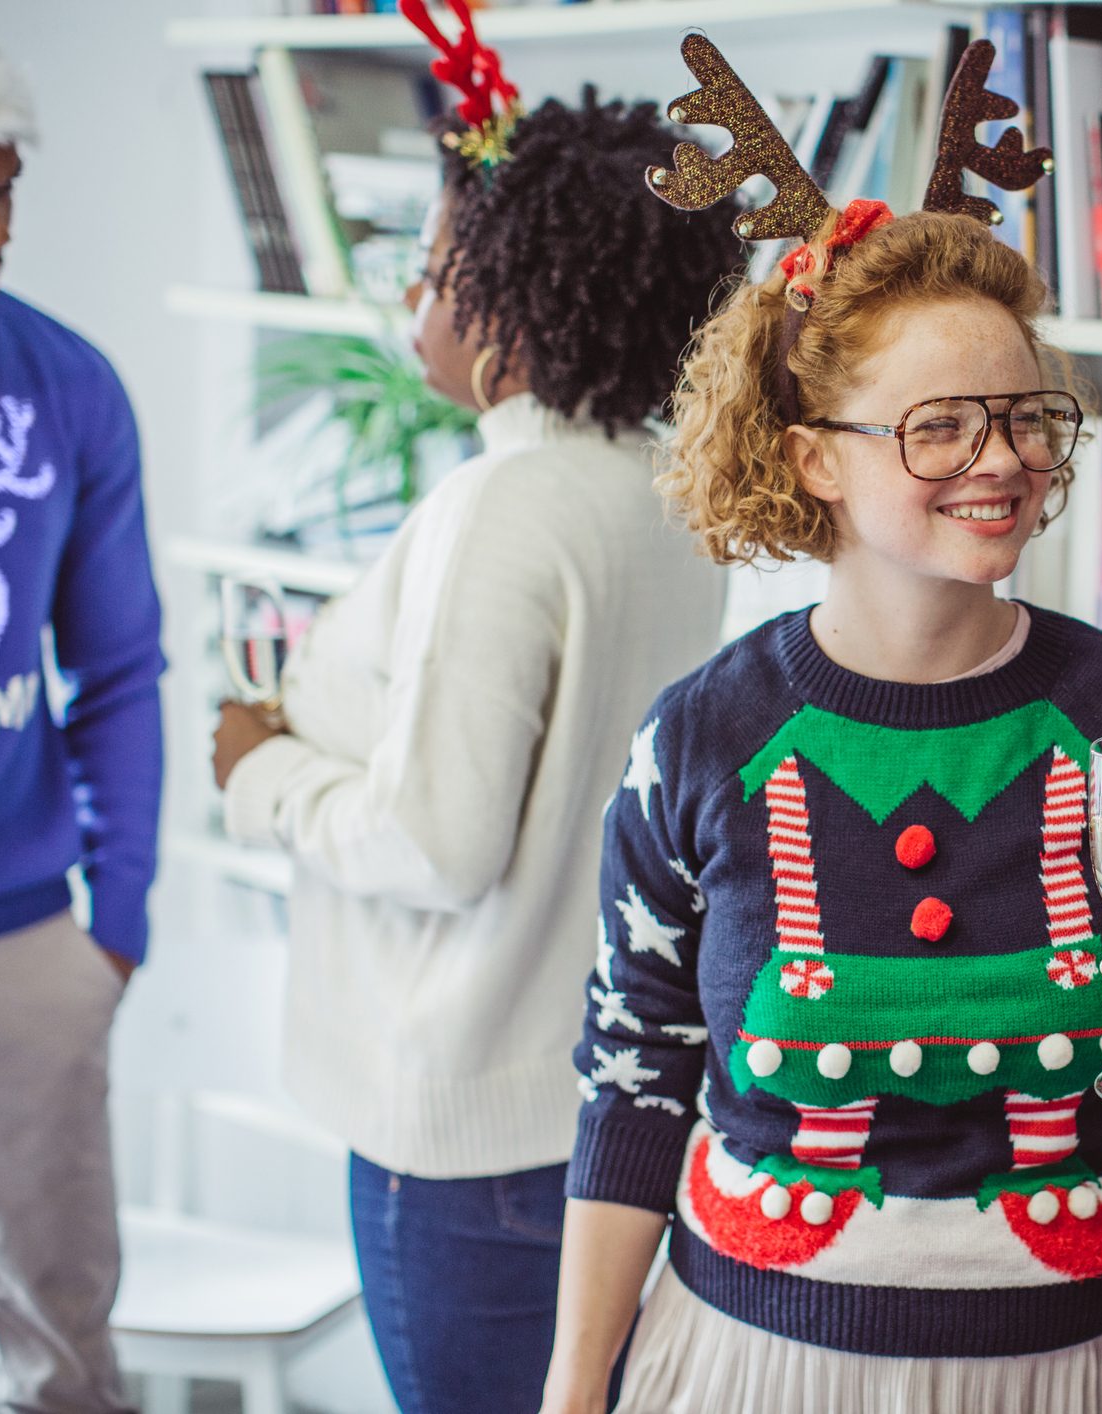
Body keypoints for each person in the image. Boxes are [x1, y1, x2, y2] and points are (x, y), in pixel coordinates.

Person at [537, 39, 1102, 1414]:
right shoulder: (702, 737)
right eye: (939, 427)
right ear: (813, 454)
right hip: (756, 1361)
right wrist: (574, 1390)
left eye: (1026, 417)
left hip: (1077, 1364)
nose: (1004, 461)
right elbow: (636, 1078)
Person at [209, 12, 739, 1405]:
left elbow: (435, 842)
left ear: (513, 296)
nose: (416, 296)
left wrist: (258, 770)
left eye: (439, 265)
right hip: (602, 1116)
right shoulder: (665, 500)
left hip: (467, 1145)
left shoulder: (505, 503)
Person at [0, 3, 164, 1409]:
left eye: (6, 190)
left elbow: (119, 669)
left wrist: (113, 921)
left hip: (13, 946)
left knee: (62, 1356)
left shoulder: (67, 383)